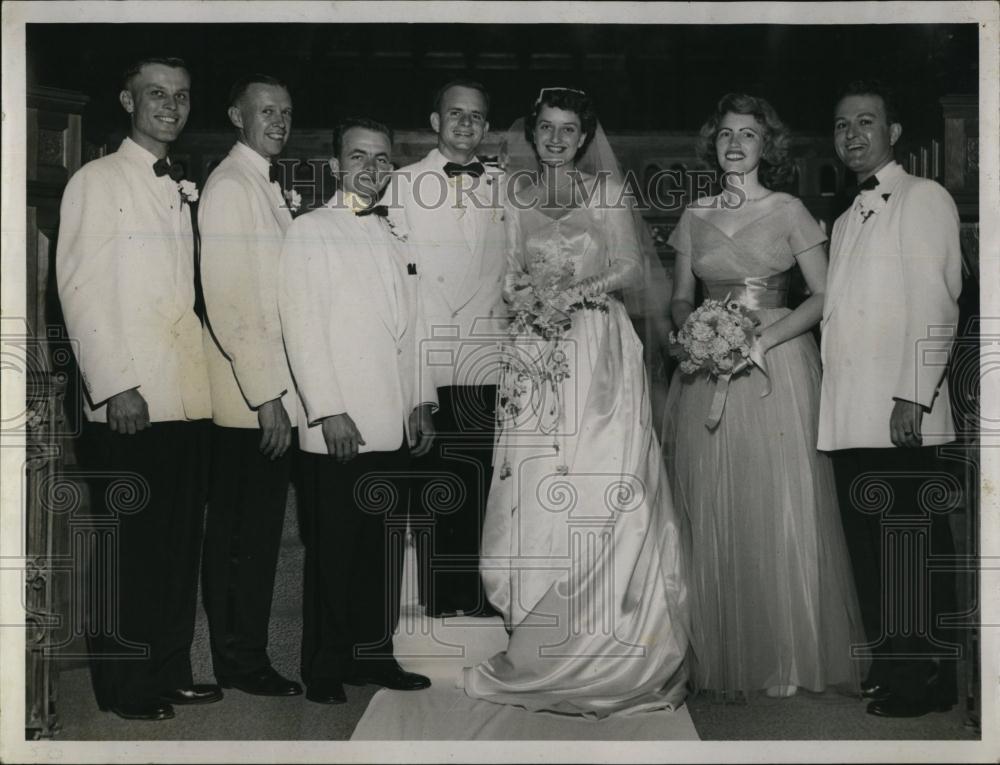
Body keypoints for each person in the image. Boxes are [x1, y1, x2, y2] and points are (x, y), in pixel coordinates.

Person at [463, 88, 689, 717]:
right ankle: (539, 636)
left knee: (598, 474)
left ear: (585, 138)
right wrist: (527, 296)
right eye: (547, 128)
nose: (558, 139)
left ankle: (610, 636)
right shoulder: (515, 196)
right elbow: (507, 271)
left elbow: (629, 267)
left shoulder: (606, 193)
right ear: (531, 134)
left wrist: (570, 294)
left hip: (595, 346)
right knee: (535, 483)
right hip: (536, 352)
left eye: (569, 130)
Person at [663, 93, 865, 700]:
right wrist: (690, 330)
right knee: (712, 499)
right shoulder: (693, 216)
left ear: (765, 146)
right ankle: (722, 646)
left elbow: (825, 295)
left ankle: (786, 651)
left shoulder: (789, 209)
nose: (735, 144)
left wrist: (762, 338)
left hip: (776, 365)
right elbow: (679, 295)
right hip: (705, 369)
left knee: (776, 499)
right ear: (713, 142)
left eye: (748, 135)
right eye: (726, 133)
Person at [56, 57, 219, 721]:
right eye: (156, 93)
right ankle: (124, 688)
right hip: (130, 401)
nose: (170, 106)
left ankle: (169, 669)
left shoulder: (178, 183)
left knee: (175, 550)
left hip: (183, 398)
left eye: (180, 95)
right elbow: (79, 288)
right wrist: (117, 384)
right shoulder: (96, 179)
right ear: (127, 100)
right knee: (128, 553)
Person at [278, 117, 437, 704]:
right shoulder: (311, 229)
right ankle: (322, 666)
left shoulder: (397, 232)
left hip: (392, 420)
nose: (371, 169)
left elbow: (412, 328)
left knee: (381, 548)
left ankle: (375, 656)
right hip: (339, 424)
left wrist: (420, 401)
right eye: (359, 157)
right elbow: (301, 326)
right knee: (334, 549)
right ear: (336, 166)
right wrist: (328, 410)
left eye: (381, 158)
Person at [819, 80, 962, 718]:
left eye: (867, 122)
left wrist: (914, 392)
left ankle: (925, 678)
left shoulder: (922, 196)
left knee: (909, 549)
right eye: (843, 125)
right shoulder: (847, 216)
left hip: (901, 410)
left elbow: (938, 301)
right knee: (873, 551)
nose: (852, 135)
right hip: (853, 413)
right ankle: (892, 663)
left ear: (893, 133)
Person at [198, 74, 302, 698]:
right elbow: (231, 303)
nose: (280, 121)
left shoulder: (260, 182)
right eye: (267, 111)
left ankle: (247, 655)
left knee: (255, 536)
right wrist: (267, 396)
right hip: (247, 398)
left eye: (287, 112)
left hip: (263, 392)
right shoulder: (232, 186)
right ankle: (240, 662)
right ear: (237, 114)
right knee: (241, 538)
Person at [393, 79, 506, 619]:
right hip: (429, 351)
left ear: (487, 127)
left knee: (482, 477)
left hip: (488, 354)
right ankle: (438, 597)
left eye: (477, 116)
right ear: (435, 122)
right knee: (435, 478)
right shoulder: (402, 184)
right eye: (455, 113)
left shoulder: (508, 187)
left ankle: (480, 594)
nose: (466, 124)